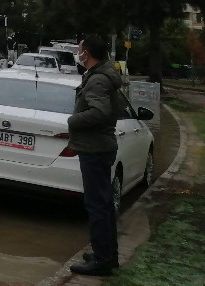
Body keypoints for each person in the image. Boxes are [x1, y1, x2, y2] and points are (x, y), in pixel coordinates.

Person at [67, 35, 124, 277]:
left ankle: (102, 261)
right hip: (98, 147)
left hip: (95, 149)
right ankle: (107, 254)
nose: (78, 53)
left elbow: (99, 112)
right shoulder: (100, 75)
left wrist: (72, 120)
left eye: (79, 50)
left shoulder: (98, 79)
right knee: (104, 203)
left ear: (87, 54)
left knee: (97, 205)